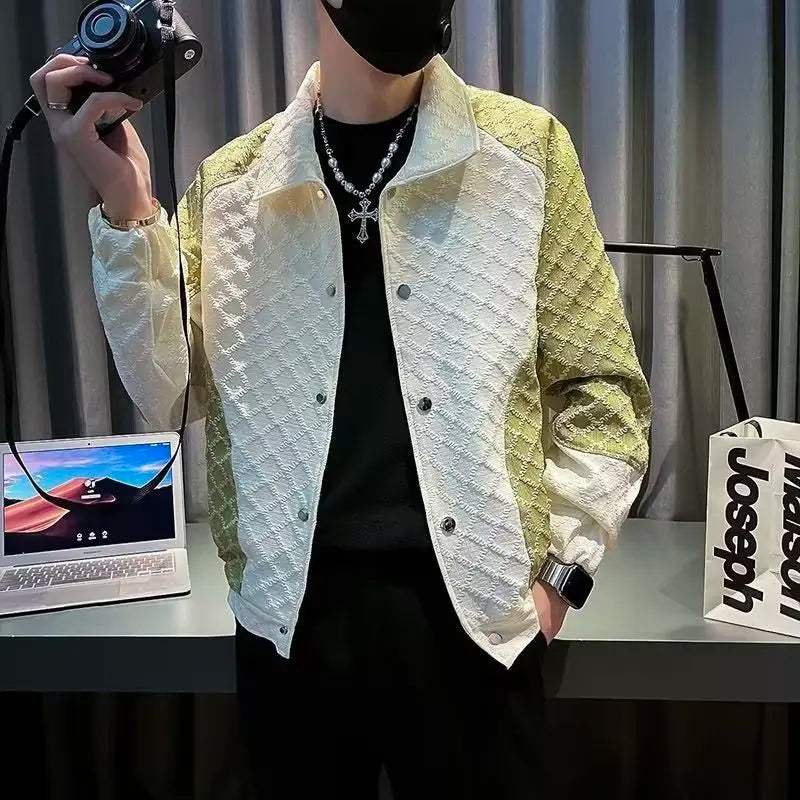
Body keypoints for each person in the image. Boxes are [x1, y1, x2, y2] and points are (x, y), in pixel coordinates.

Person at [30, 1, 651, 797]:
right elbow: (166, 392)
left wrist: (561, 577)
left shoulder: (523, 153)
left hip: (479, 623)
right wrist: (127, 198)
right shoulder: (236, 185)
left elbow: (603, 386)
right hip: (292, 625)